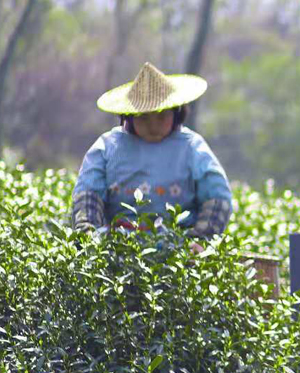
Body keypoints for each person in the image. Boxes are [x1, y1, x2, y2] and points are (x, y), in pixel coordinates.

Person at [68, 63, 234, 244]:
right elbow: (87, 197)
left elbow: (218, 199)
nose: (153, 126)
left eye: (162, 116)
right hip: (119, 248)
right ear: (129, 115)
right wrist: (90, 236)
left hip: (179, 251)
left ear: (176, 112)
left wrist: (201, 240)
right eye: (144, 117)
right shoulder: (108, 147)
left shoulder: (192, 148)